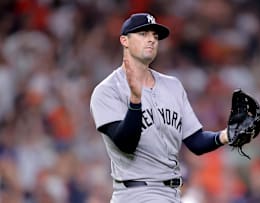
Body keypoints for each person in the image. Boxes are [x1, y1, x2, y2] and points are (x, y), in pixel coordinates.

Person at [90, 13, 229, 203]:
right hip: (135, 194)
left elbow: (196, 141)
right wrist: (136, 101)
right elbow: (126, 144)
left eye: (155, 36)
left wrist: (227, 135)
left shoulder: (173, 86)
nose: (151, 40)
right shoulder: (107, 91)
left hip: (172, 194)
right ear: (124, 40)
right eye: (143, 34)